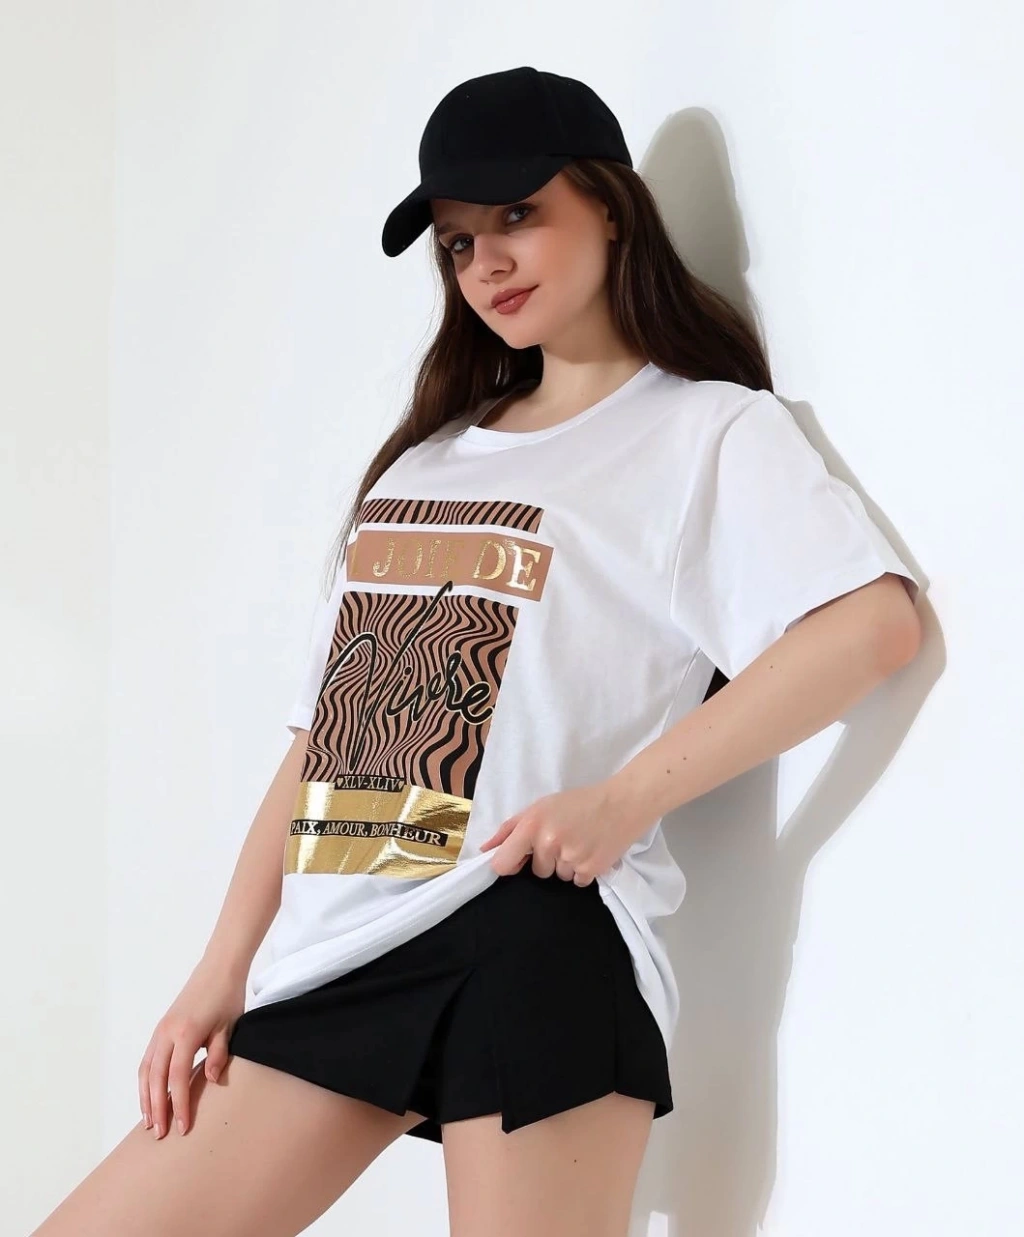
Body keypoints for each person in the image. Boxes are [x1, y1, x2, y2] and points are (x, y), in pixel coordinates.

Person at [32, 66, 922, 1237]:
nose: (486, 262)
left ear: (610, 207)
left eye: (517, 215)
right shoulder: (426, 462)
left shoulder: (703, 430)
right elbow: (324, 740)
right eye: (457, 242)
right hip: (345, 946)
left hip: (534, 932)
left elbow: (870, 624)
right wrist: (221, 970)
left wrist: (620, 802)